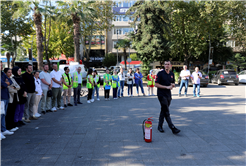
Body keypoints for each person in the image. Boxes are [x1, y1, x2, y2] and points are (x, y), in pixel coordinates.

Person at [155, 60, 180, 134]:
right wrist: (166, 87)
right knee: (166, 111)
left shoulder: (172, 74)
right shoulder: (160, 73)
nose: (167, 65)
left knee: (163, 110)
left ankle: (159, 126)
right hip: (161, 94)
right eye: (165, 64)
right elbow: (156, 84)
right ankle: (172, 127)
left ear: (170, 65)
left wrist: (172, 85)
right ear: (164, 65)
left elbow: (172, 82)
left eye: (168, 64)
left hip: (168, 95)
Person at [0, 61, 14, 140]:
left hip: (5, 96)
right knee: (0, 114)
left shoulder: (2, 74)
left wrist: (5, 83)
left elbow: (10, 81)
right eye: (0, 65)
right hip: (1, 97)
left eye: (1, 65)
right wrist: (5, 84)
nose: (1, 67)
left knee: (3, 114)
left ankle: (3, 129)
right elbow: (3, 84)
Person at [4, 68, 20, 132]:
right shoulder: (5, 79)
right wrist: (14, 89)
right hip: (10, 97)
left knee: (13, 111)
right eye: (8, 72)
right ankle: (9, 126)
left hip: (15, 97)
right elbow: (8, 89)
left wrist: (14, 87)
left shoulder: (12, 79)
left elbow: (18, 87)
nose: (10, 73)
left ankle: (13, 125)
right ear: (5, 73)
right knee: (9, 113)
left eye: (11, 72)